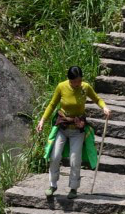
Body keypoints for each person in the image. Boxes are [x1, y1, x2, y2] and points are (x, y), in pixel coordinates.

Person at [36, 66, 111, 199]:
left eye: (78, 81)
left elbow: (97, 99)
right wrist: (42, 120)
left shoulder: (85, 87)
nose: (76, 84)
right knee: (55, 156)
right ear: (69, 80)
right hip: (63, 127)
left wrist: (104, 107)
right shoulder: (61, 87)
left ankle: (73, 188)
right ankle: (52, 185)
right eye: (73, 82)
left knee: (75, 160)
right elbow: (52, 105)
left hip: (78, 129)